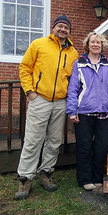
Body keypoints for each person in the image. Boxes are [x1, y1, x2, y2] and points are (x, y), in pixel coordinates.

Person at [15, 15, 79, 200]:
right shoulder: (39, 44)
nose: (62, 30)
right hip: (40, 99)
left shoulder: (73, 53)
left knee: (54, 140)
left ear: (69, 31)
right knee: (33, 140)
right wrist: (29, 92)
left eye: (66, 27)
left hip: (60, 102)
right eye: (59, 26)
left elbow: (74, 80)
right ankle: (25, 178)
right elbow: (25, 68)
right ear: (53, 28)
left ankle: (46, 173)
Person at [66, 32, 108, 192]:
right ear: (87, 45)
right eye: (93, 42)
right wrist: (72, 110)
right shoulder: (79, 63)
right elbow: (73, 88)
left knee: (102, 145)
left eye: (99, 42)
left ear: (102, 46)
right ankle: (85, 178)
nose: (96, 45)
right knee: (84, 146)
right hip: (84, 112)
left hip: (104, 112)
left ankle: (97, 177)